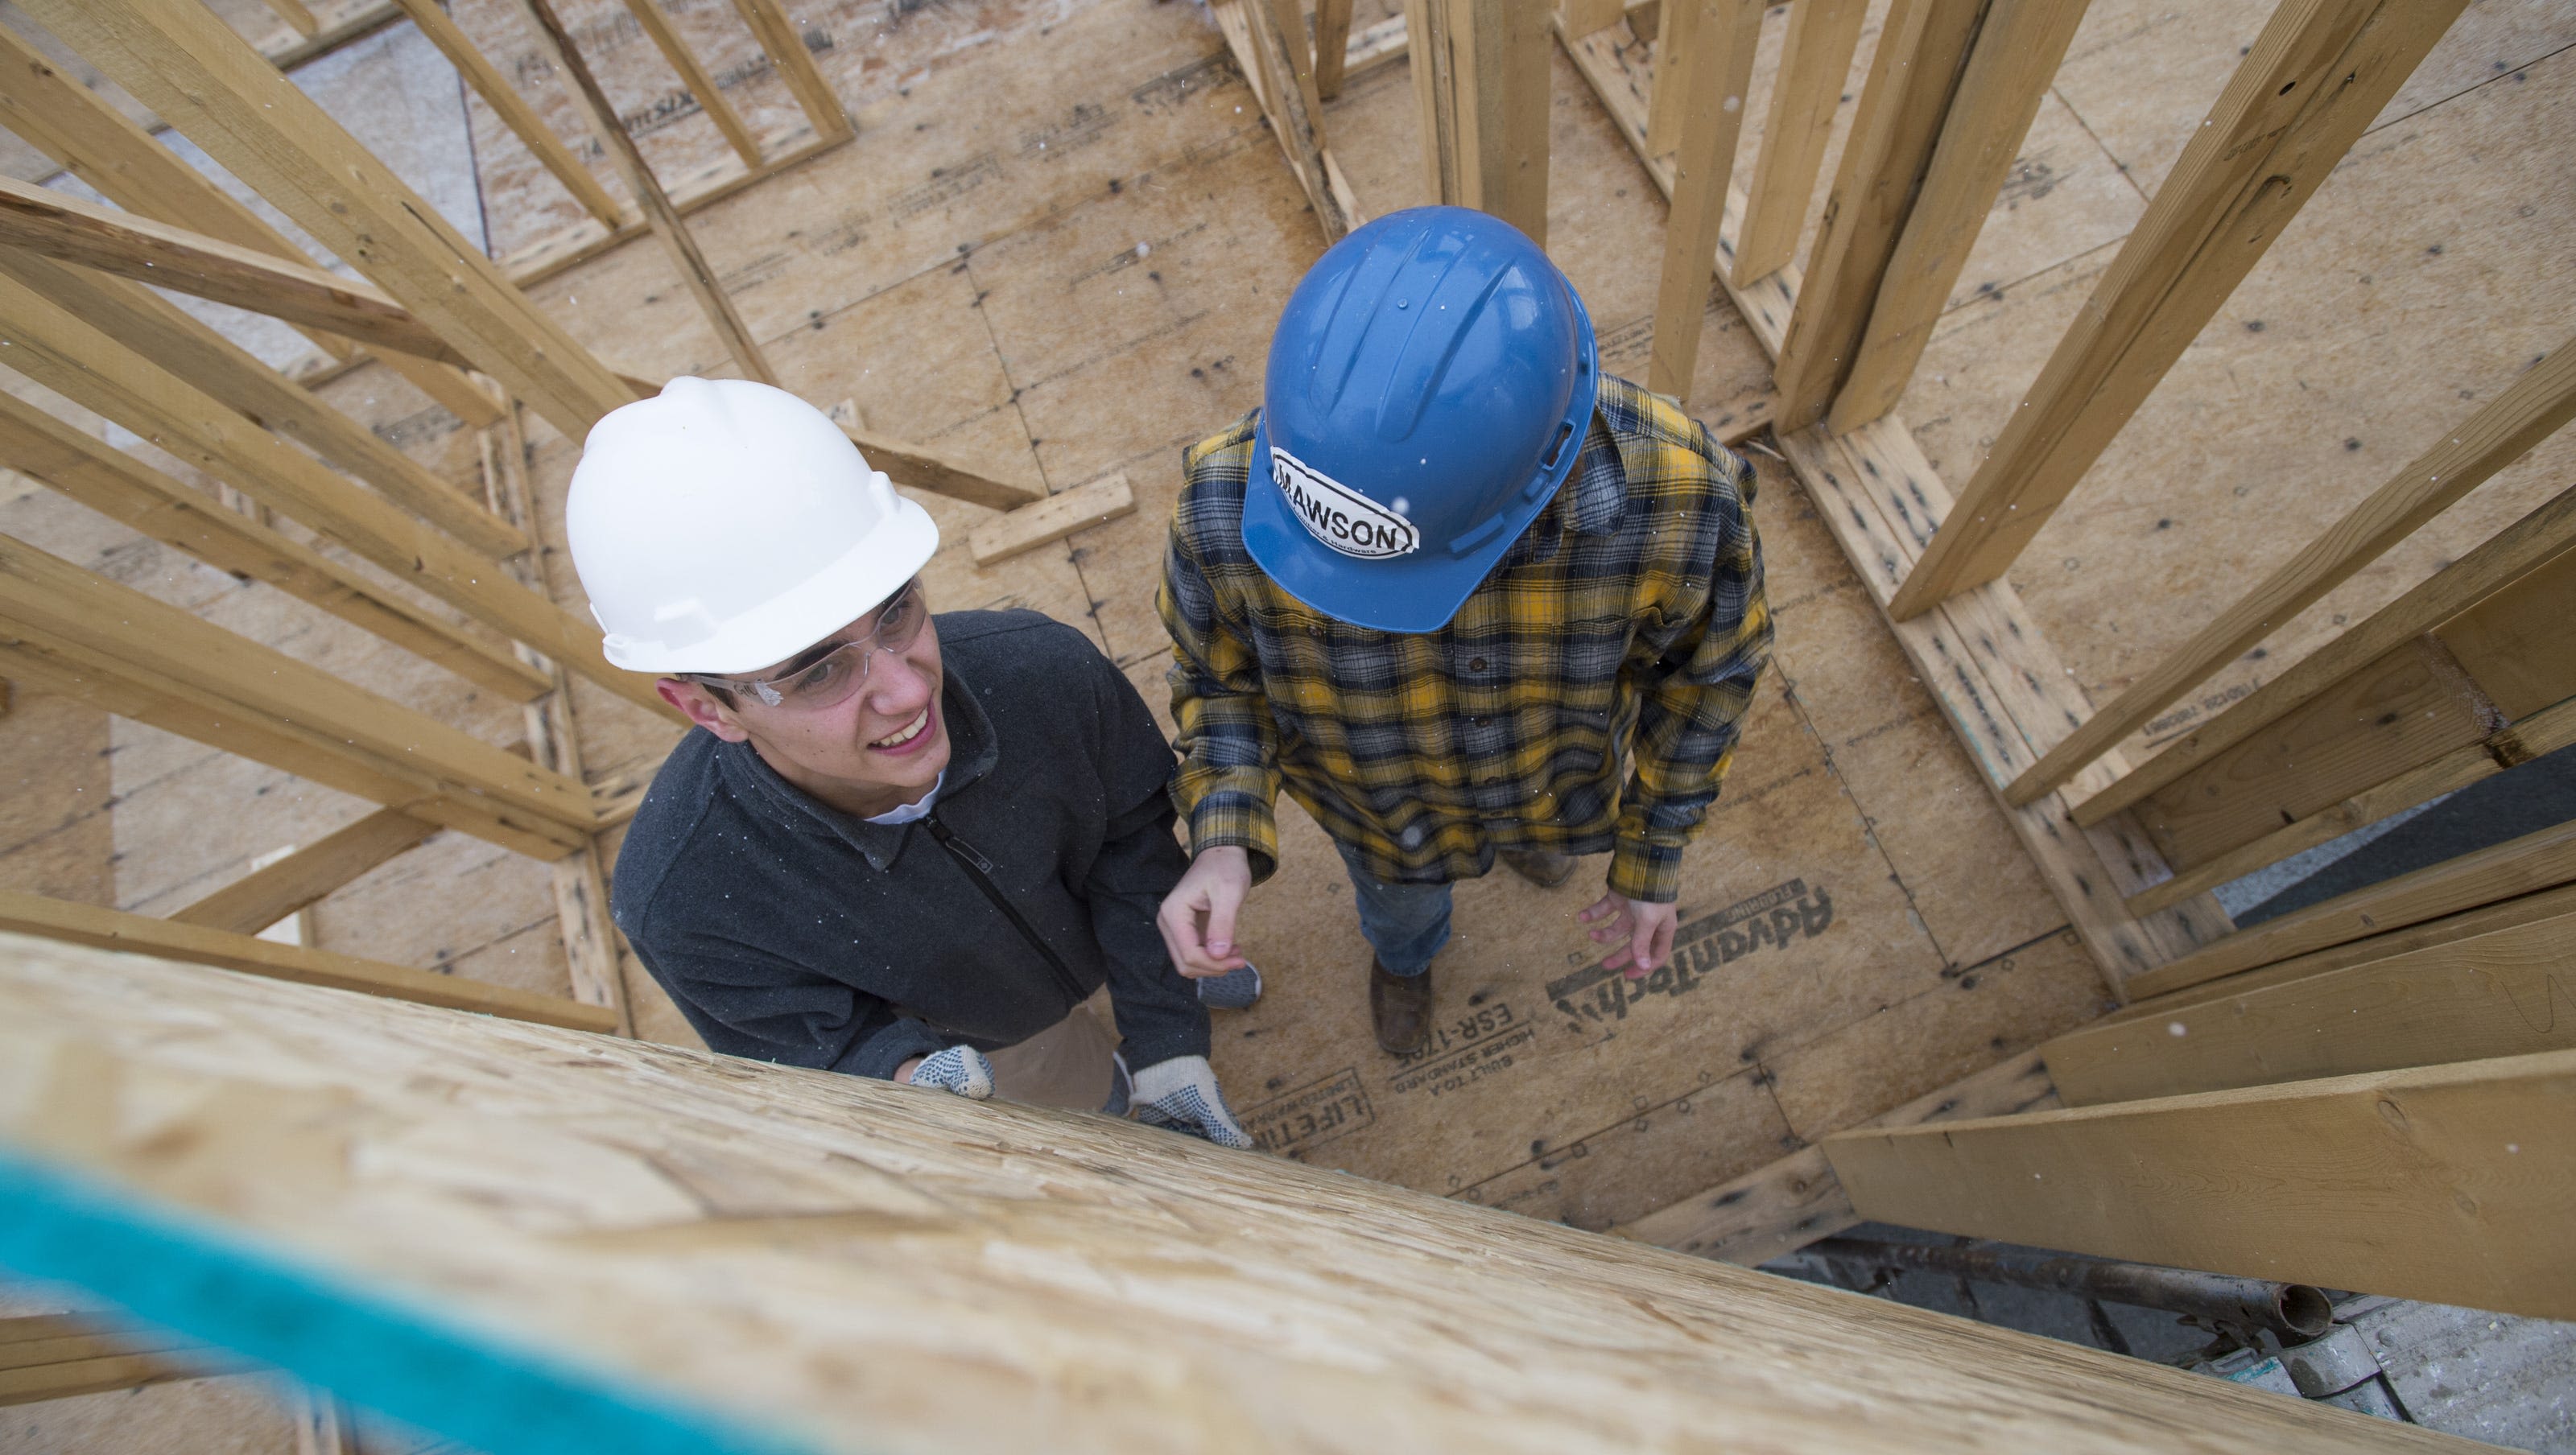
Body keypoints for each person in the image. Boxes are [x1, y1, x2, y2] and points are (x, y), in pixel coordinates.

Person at [568, 377, 1253, 1145]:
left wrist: (1166, 1039)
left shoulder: (1043, 676)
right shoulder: (686, 897)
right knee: (1076, 1090)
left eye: (895, 611)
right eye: (817, 670)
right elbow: (814, 1043)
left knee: (1164, 966)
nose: (904, 689)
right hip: (999, 1040)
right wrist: (899, 1076)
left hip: (1111, 934)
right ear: (706, 708)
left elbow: (1132, 848)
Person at [1153, 207, 1771, 1056]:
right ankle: (1405, 959)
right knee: (1399, 910)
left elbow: (1710, 679)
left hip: (1551, 779)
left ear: (1543, 470)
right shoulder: (1225, 505)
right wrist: (1222, 832)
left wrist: (1653, 850)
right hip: (1385, 818)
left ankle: (1529, 846)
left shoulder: (1677, 499)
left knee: (1542, 833)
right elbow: (1218, 681)